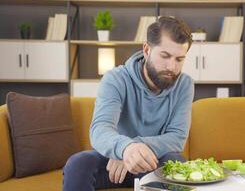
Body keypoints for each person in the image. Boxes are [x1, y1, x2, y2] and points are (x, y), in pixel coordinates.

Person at [63, 16, 194, 191]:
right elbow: (100, 129)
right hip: (113, 164)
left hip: (154, 161)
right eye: (165, 56)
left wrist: (135, 149)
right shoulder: (115, 79)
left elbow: (177, 137)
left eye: (179, 59)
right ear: (147, 50)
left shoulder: (184, 84)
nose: (171, 67)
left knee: (176, 163)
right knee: (78, 164)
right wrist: (125, 149)